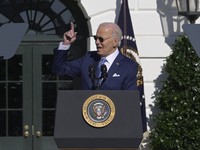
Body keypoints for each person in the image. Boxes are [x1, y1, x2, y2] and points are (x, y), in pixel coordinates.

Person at [52, 22, 138, 90]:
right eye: (95, 38)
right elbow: (59, 69)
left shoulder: (128, 66)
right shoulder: (88, 58)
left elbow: (129, 99)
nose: (97, 42)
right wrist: (65, 44)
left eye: (101, 39)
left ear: (115, 42)